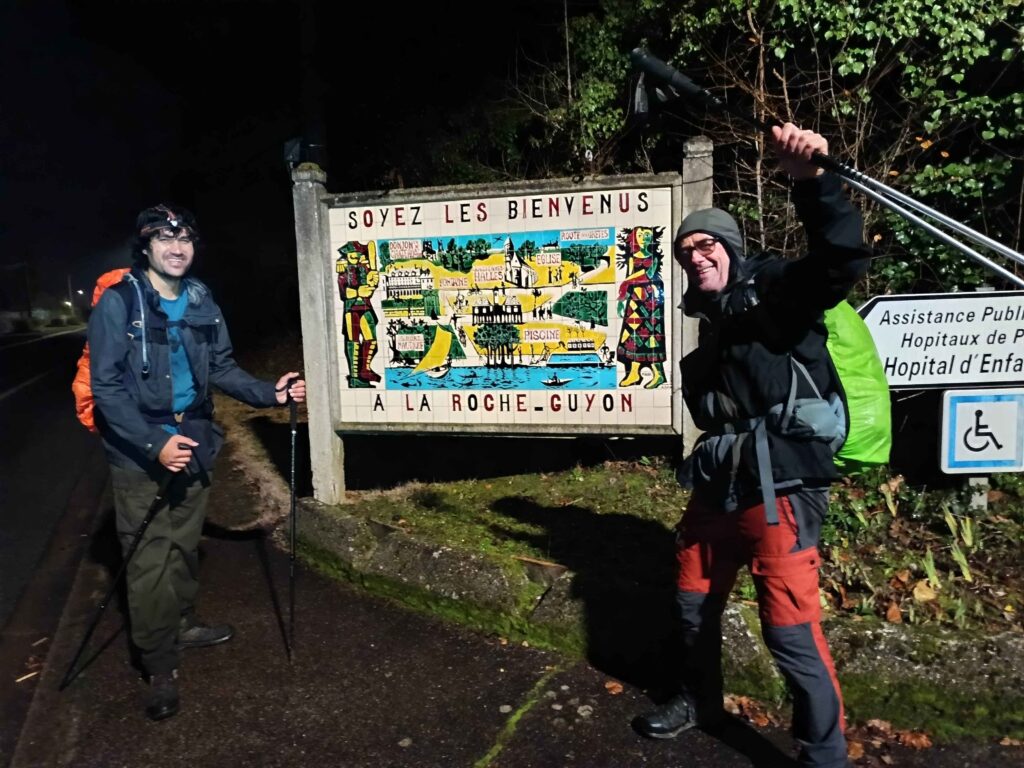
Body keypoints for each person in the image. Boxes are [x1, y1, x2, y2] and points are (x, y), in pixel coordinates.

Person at [634, 124, 870, 768]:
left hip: (785, 482)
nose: (695, 257)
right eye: (685, 252)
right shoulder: (707, 337)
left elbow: (839, 259)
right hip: (719, 482)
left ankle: (823, 755)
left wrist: (812, 184)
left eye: (706, 244)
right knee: (690, 604)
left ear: (732, 247)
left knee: (789, 629)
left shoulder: (781, 296)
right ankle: (696, 701)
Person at [88, 204, 306, 721]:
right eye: (164, 238)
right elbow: (107, 388)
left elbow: (223, 368)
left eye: (184, 237)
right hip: (139, 450)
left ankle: (182, 624)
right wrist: (151, 442)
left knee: (184, 547)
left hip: (195, 440)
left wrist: (269, 393)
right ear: (145, 247)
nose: (177, 247)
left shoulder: (202, 299)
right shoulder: (120, 303)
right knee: (148, 559)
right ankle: (160, 663)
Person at [615, 225, 668, 389]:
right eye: (640, 234)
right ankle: (633, 373)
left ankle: (659, 374)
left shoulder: (654, 257)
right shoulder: (632, 258)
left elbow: (646, 275)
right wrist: (622, 299)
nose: (643, 237)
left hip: (651, 302)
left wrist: (627, 282)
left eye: (646, 235)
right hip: (634, 302)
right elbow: (629, 277)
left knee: (651, 338)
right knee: (632, 336)